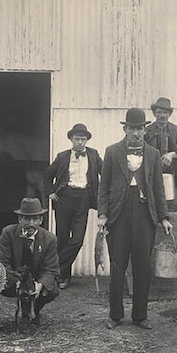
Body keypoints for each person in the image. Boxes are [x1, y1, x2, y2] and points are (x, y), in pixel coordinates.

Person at [97, 108, 173, 329]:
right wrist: (103, 214)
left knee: (142, 267)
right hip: (118, 215)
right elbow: (103, 187)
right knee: (118, 265)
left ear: (144, 130)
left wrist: (164, 217)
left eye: (140, 128)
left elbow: (158, 188)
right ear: (125, 129)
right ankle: (115, 315)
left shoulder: (153, 154)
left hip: (143, 214)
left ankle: (140, 315)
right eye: (132, 128)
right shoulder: (112, 152)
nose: (137, 133)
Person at [0, 198, 60, 328]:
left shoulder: (49, 239)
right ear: (20, 219)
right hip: (11, 280)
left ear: (40, 220)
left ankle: (33, 312)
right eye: (27, 219)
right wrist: (14, 279)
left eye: (35, 219)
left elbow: (51, 270)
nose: (31, 223)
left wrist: (39, 285)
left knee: (52, 290)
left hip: (35, 281)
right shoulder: (8, 233)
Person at [43, 123, 103, 290]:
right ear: (71, 139)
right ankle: (64, 277)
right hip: (64, 198)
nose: (80, 142)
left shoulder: (93, 155)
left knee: (77, 240)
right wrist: (50, 192)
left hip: (83, 199)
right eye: (77, 139)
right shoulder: (62, 156)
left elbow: (106, 172)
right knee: (62, 239)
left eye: (83, 139)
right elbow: (47, 175)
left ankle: (53, 269)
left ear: (86, 141)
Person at [144, 97, 177, 209]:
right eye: (159, 112)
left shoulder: (176, 130)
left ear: (169, 114)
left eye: (165, 112)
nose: (162, 116)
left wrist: (172, 155)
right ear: (154, 114)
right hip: (152, 165)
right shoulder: (147, 130)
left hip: (172, 167)